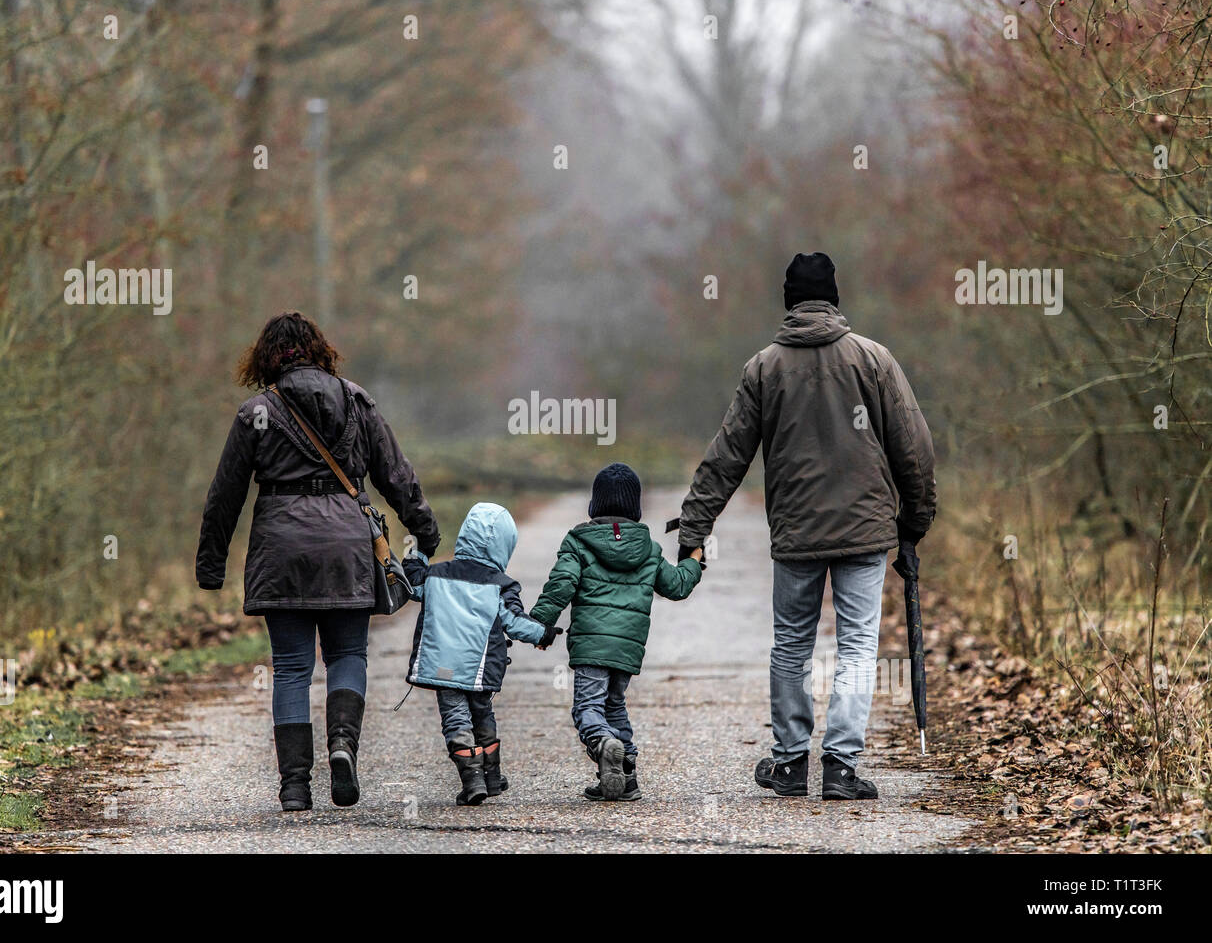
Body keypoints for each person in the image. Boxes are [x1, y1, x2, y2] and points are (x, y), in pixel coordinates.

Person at [676, 252, 936, 800]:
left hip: (796, 535)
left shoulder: (765, 368)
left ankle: (791, 763)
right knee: (859, 643)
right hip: (864, 531)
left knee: (791, 644)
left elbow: (728, 456)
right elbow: (913, 448)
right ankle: (841, 766)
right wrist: (914, 521)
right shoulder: (874, 361)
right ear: (835, 299)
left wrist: (695, 526)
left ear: (789, 301)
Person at [196, 312, 440, 812]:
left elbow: (226, 495)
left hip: (281, 548)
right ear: (320, 350)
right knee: (348, 655)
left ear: (265, 357)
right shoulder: (355, 399)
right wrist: (425, 530)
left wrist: (211, 563)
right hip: (347, 546)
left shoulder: (256, 412)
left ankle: (294, 786)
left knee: (290, 668)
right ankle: (342, 746)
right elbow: (396, 473)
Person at [530, 463, 703, 801]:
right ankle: (627, 776)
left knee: (588, 708)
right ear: (635, 508)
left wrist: (540, 624)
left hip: (591, 647)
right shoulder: (649, 548)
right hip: (627, 650)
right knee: (614, 705)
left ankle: (603, 743)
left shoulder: (578, 542)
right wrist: (695, 560)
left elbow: (560, 585)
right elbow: (678, 586)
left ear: (594, 505)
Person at [401, 502, 555, 806]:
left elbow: (411, 583)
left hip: (444, 668)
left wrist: (416, 552)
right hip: (481, 670)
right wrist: (543, 633)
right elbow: (513, 622)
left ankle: (472, 779)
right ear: (504, 547)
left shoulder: (436, 575)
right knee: (483, 712)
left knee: (456, 717)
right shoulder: (501, 584)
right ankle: (492, 775)